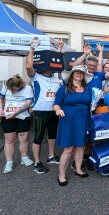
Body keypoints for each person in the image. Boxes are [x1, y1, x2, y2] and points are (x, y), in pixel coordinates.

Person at [26, 40, 62, 174]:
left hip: (54, 111)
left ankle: (51, 156)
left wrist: (58, 49)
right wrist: (31, 49)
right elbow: (29, 66)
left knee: (52, 135)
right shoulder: (36, 77)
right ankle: (37, 163)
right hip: (40, 112)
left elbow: (57, 62)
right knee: (38, 138)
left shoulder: (56, 78)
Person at [54, 65, 93, 186]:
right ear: (72, 75)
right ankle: (61, 175)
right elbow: (56, 104)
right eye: (77, 72)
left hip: (83, 121)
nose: (79, 74)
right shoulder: (64, 89)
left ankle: (78, 169)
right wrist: (57, 110)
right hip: (68, 122)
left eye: (81, 73)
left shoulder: (87, 89)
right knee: (68, 149)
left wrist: (93, 107)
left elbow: (90, 103)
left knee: (80, 146)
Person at [0, 75, 34, 174]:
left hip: (23, 116)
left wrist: (15, 114)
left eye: (15, 90)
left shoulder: (27, 88)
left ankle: (24, 158)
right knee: (9, 139)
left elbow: (28, 103)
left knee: (23, 138)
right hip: (7, 116)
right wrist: (1, 109)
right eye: (11, 90)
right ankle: (9, 162)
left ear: (20, 85)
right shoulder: (7, 86)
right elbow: (1, 98)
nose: (13, 92)